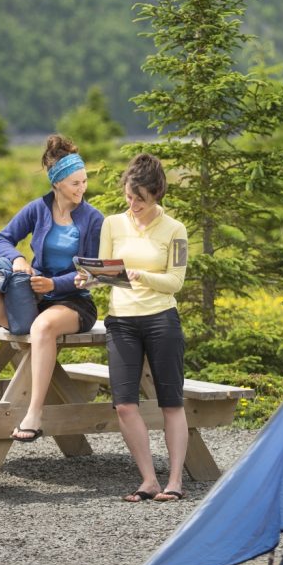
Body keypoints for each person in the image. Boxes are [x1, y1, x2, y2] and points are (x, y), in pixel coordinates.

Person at [0, 134, 104, 442]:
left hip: (73, 302)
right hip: (32, 299)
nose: (82, 189)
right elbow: (1, 239)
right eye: (75, 183)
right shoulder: (37, 209)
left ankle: (34, 413)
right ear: (57, 182)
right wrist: (19, 259)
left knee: (42, 327)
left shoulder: (93, 218)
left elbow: (91, 271)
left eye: (84, 181)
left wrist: (53, 283)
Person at [83, 153, 188, 502]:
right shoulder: (112, 224)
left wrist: (142, 275)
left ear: (156, 193)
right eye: (129, 197)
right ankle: (148, 480)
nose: (133, 204)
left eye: (140, 199)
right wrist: (89, 279)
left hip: (162, 320)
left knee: (170, 402)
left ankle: (174, 482)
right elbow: (104, 270)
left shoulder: (176, 230)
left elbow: (175, 283)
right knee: (124, 403)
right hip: (122, 322)